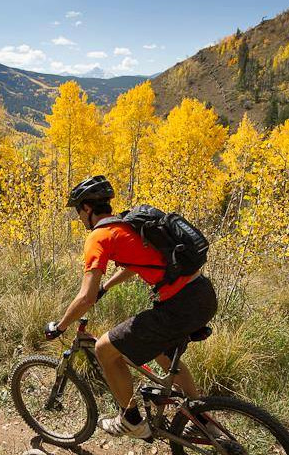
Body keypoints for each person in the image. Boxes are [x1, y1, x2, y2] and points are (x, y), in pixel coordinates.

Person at [45, 175, 218, 439]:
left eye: (78, 211)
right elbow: (135, 264)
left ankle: (131, 420)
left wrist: (60, 326)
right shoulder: (126, 225)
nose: (79, 217)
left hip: (178, 305)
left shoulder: (99, 237)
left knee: (105, 349)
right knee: (164, 354)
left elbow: (85, 297)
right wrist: (107, 287)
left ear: (88, 209)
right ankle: (203, 418)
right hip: (202, 295)